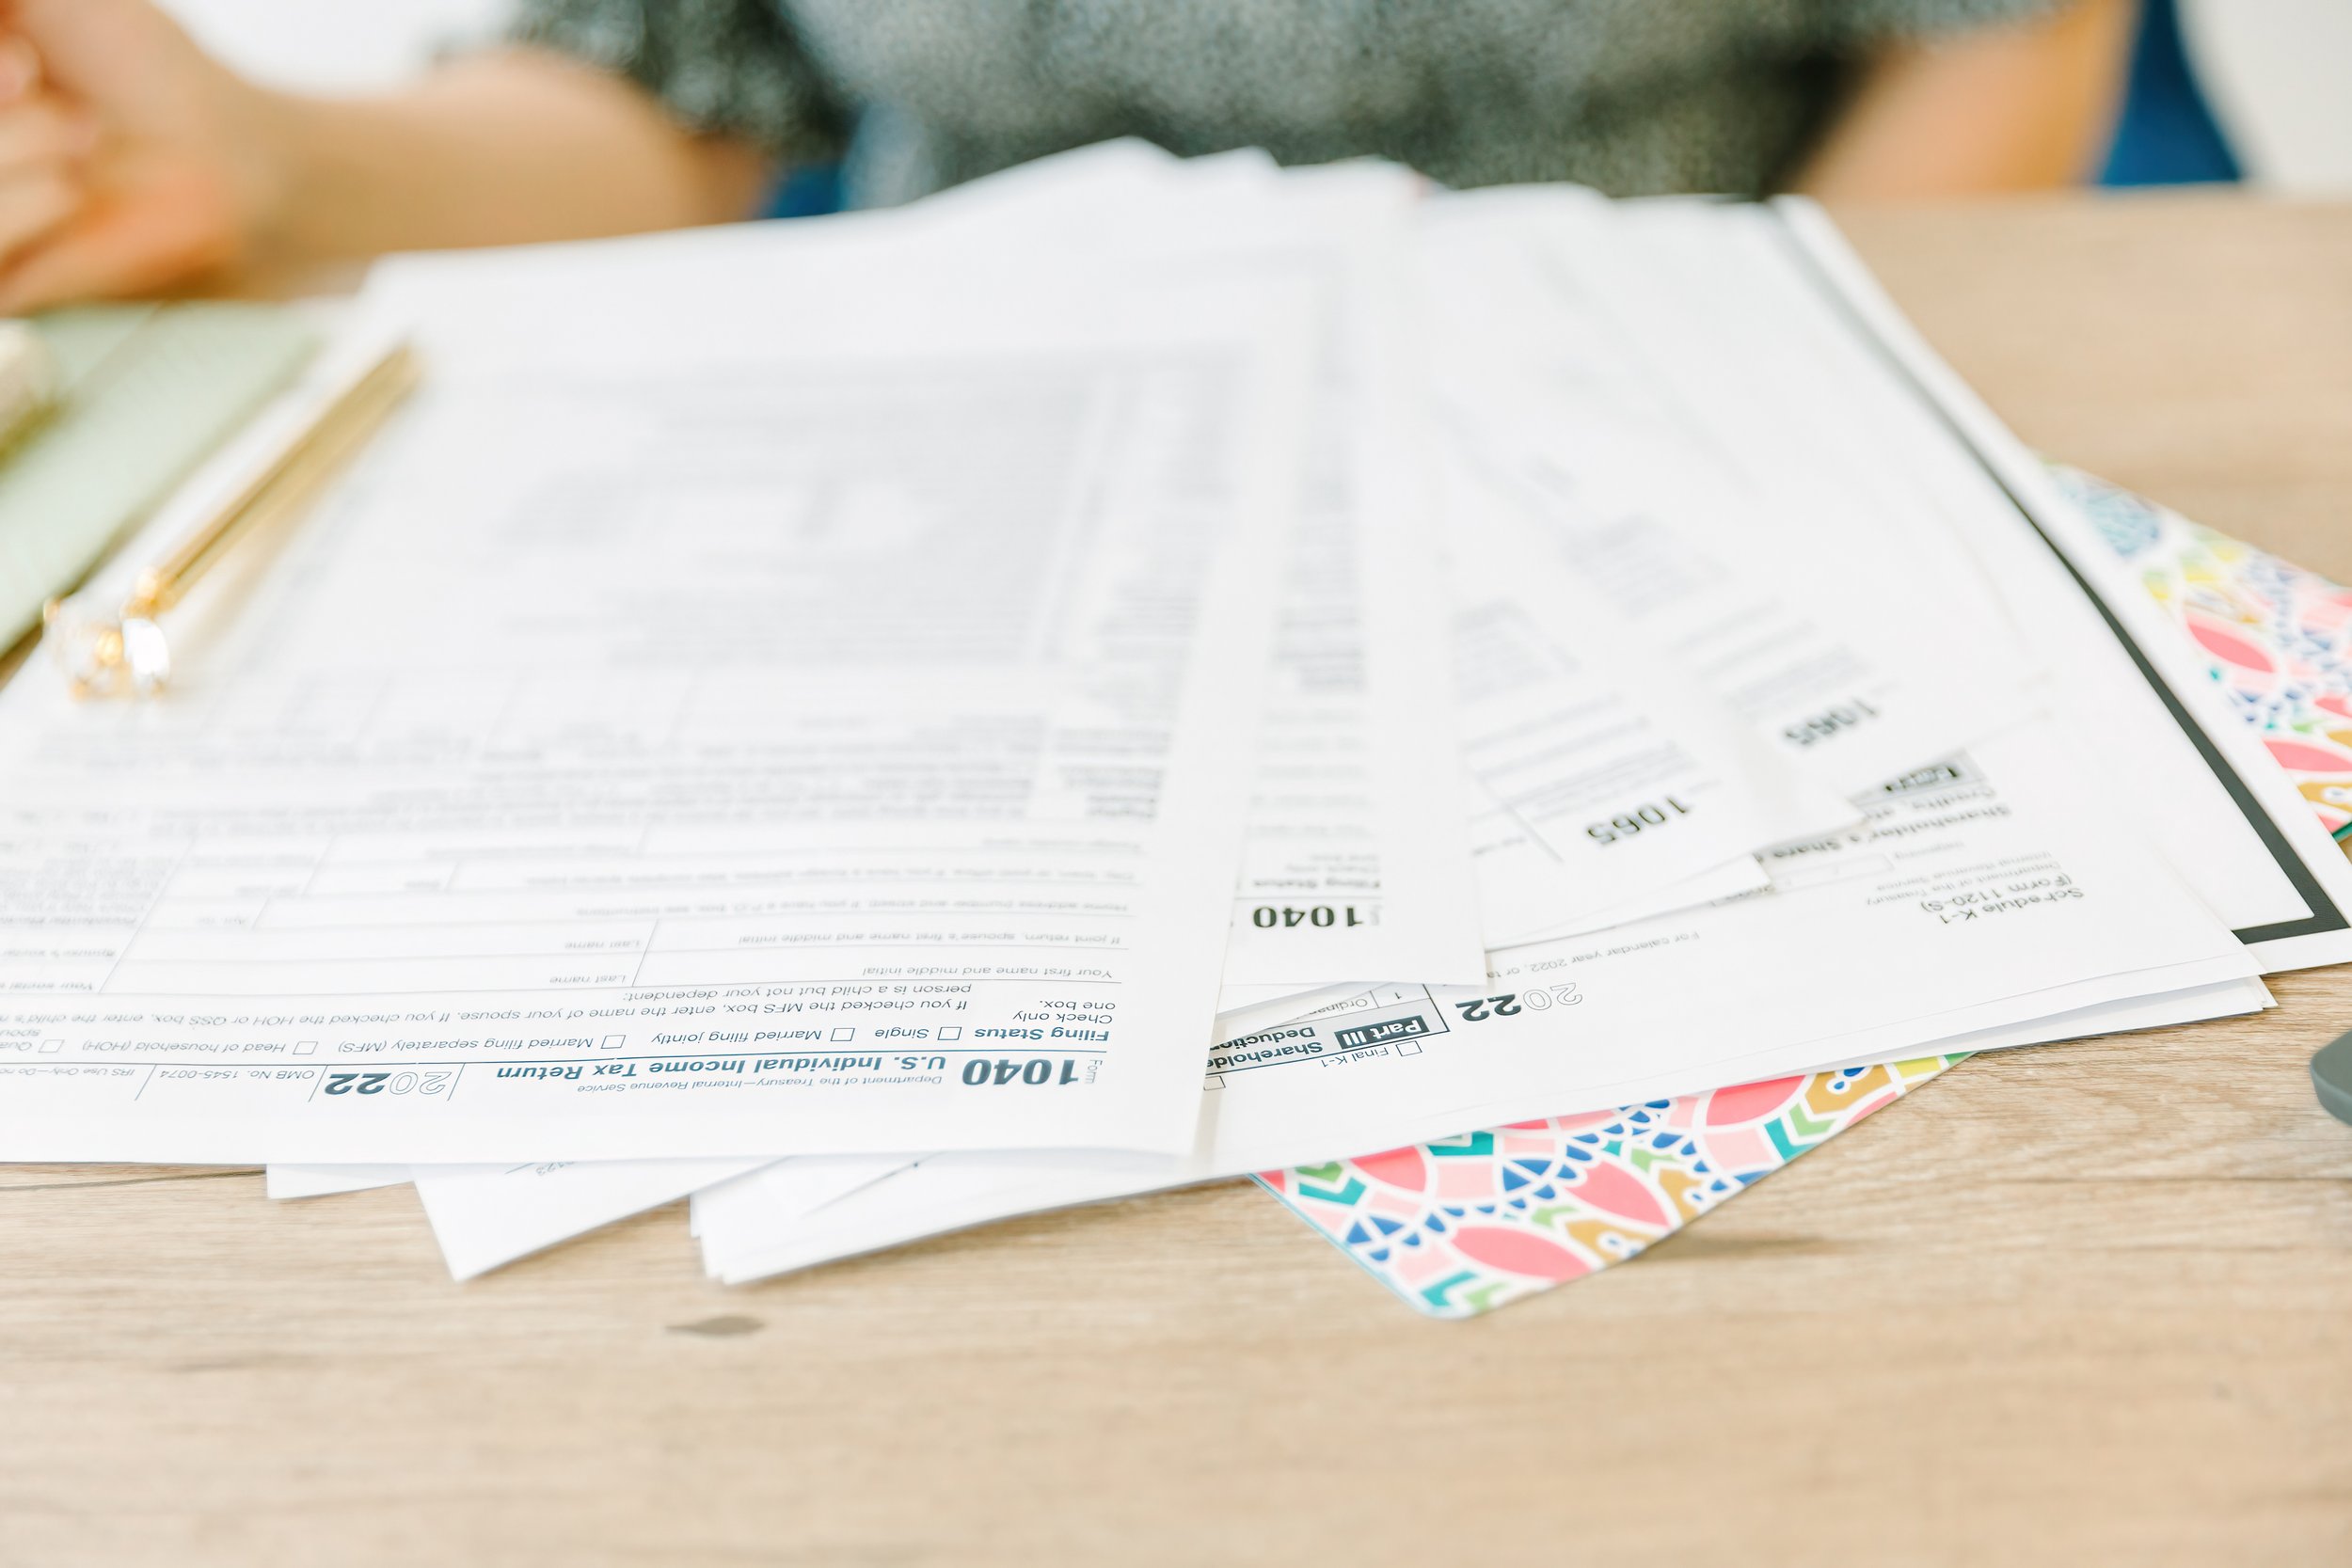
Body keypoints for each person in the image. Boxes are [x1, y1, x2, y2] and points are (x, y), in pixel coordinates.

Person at [0, 0, 2136, 312]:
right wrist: (248, 165)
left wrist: (1763, 366)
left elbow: (1992, 28)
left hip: (1698, 329)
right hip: (989, 439)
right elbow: (681, 79)